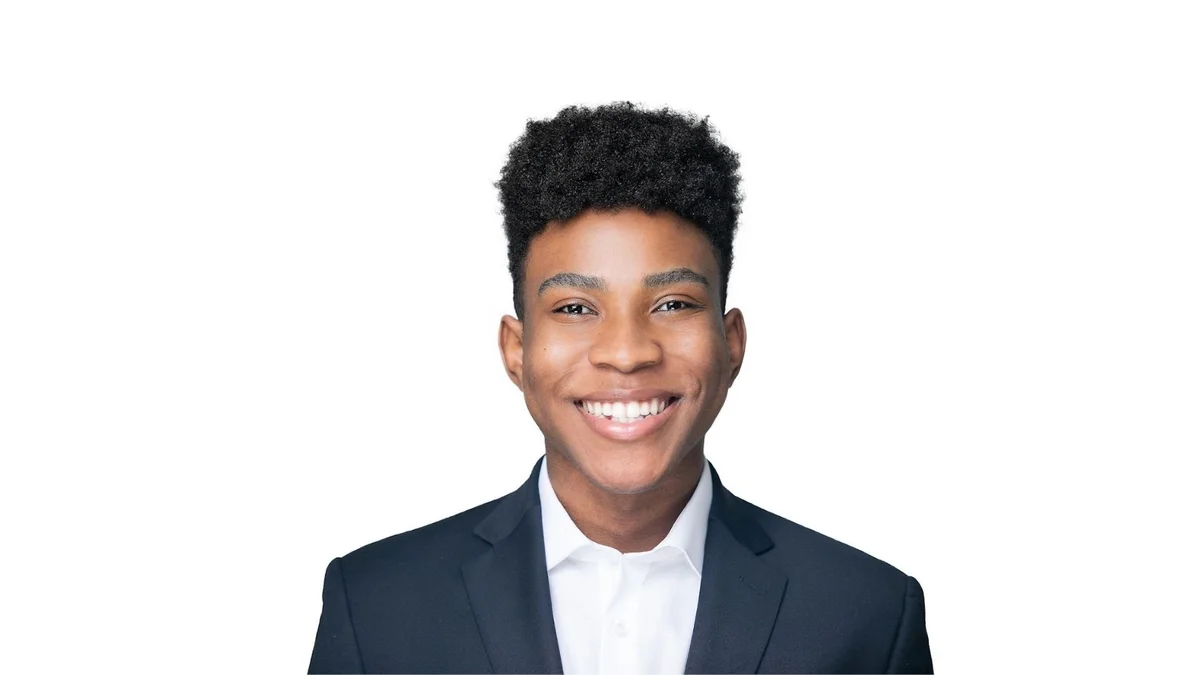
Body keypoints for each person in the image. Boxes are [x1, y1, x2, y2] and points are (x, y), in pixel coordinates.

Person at [308, 102, 934, 674]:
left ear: (731, 342)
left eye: (672, 302)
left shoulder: (868, 615)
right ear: (516, 349)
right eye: (577, 308)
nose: (628, 353)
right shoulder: (375, 606)